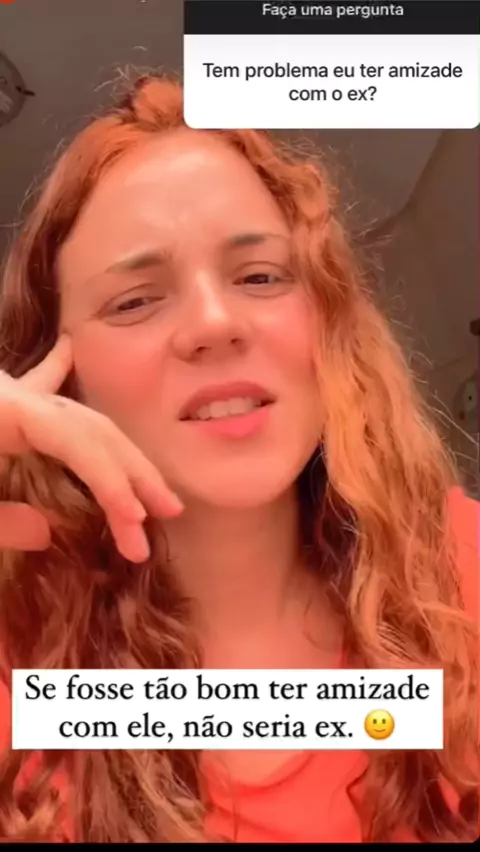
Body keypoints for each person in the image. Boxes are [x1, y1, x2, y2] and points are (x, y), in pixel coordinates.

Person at [0, 74, 477, 843]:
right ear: (60, 380)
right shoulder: (14, 653)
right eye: (135, 300)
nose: (215, 323)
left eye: (260, 277)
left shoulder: (462, 568)